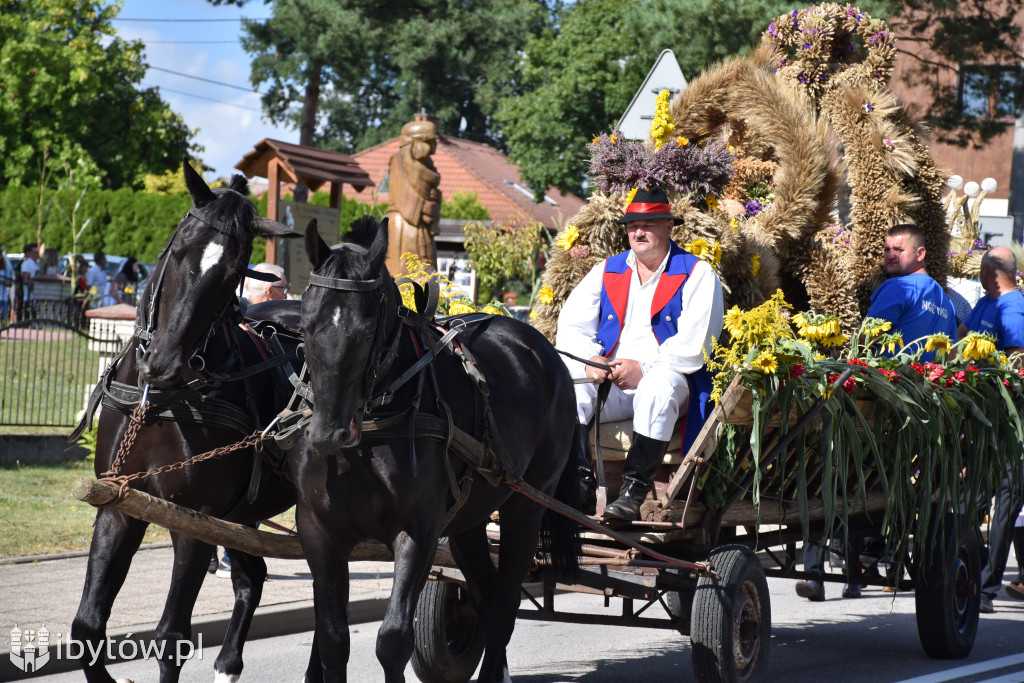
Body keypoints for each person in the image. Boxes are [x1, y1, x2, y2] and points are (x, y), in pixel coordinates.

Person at [796, 223, 957, 601]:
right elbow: (946, 354)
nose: (889, 255)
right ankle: (858, 569)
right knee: (876, 483)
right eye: (886, 249)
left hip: (873, 404)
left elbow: (866, 340)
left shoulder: (898, 288)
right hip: (915, 410)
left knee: (826, 471)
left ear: (920, 254)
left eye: (897, 250)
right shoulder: (943, 300)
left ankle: (817, 573)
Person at [556, 186, 724, 522]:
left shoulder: (697, 273)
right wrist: (593, 361)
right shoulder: (607, 270)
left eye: (649, 224)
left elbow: (697, 346)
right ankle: (580, 486)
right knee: (568, 385)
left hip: (674, 381)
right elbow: (571, 327)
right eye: (633, 225)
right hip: (613, 380)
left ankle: (633, 493)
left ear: (669, 226)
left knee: (656, 388)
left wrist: (644, 368)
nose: (639, 231)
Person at [959, 246, 1024, 613]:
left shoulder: (1013, 308)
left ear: (989, 272)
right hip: (981, 418)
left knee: (1006, 501)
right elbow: (960, 339)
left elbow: (1017, 361)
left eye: (981, 272)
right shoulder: (987, 303)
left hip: (1010, 421)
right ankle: (974, 574)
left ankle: (986, 588)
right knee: (974, 501)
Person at [385, 119, 442, 274]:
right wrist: (428, 206)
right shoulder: (399, 160)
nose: (434, 147)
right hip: (405, 224)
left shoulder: (427, 168)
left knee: (426, 272)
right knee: (404, 272)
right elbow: (402, 197)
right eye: (430, 142)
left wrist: (434, 204)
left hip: (421, 226)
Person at [0, 249, 14, 322]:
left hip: (3, 297)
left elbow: (10, 283)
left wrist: (1, 281)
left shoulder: (6, 267)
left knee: (2, 319)